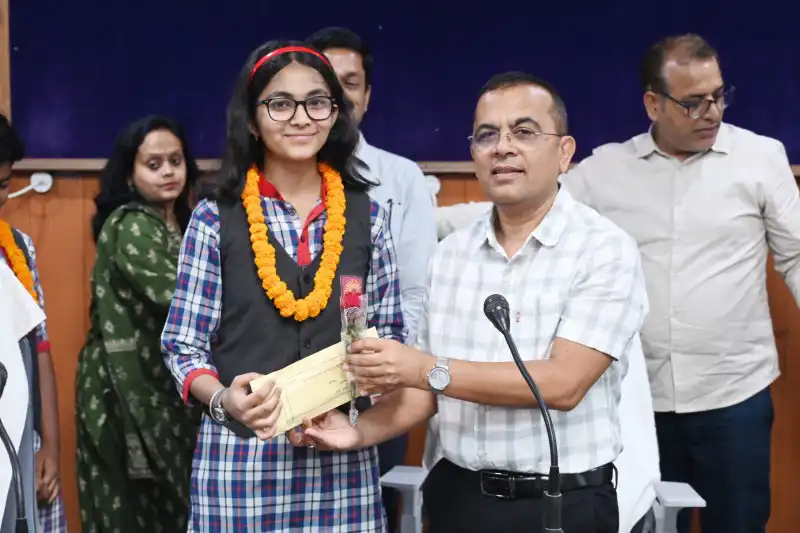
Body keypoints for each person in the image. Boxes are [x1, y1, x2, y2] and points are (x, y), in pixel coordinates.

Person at [290, 72, 648, 533]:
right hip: (458, 499)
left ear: (564, 152)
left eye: (524, 132)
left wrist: (423, 368)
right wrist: (359, 431)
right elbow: (423, 393)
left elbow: (563, 384)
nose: (503, 148)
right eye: (487, 135)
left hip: (561, 504)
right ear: (474, 154)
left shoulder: (604, 248)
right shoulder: (451, 255)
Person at [160, 40, 404, 532]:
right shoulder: (214, 217)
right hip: (239, 464)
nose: (300, 118)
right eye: (280, 104)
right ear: (251, 120)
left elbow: (389, 334)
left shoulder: (369, 217)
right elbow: (182, 344)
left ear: (335, 115)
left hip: (339, 462)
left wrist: (369, 384)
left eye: (316, 102)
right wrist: (224, 400)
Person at [560, 34, 800, 533]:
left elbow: (796, 255)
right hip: (637, 402)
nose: (712, 113)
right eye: (693, 103)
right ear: (654, 103)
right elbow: (532, 212)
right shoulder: (606, 170)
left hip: (734, 396)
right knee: (641, 525)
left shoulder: (761, 158)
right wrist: (423, 219)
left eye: (718, 96)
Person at [306, 27, 438, 530]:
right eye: (325, 83)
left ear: (367, 95)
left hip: (374, 385)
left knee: (371, 513)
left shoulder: (400, 177)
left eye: (351, 83)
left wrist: (390, 378)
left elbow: (415, 289)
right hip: (286, 386)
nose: (339, 96)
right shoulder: (273, 178)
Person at [75, 115, 202, 532]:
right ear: (130, 175)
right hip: (121, 386)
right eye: (154, 164)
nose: (168, 172)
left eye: (175, 161)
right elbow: (182, 299)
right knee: (128, 510)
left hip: (162, 384)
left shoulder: (184, 223)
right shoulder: (131, 225)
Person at [0, 114, 67, 532]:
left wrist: (50, 447)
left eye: (3, 184)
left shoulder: (18, 249)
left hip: (20, 436)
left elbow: (39, 349)